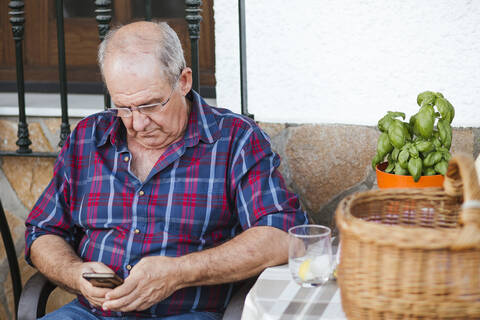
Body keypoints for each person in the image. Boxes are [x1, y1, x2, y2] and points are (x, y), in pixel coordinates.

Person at [25, 21, 308, 319]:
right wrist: (74, 273)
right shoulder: (87, 138)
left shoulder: (236, 140)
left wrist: (178, 272)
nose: (137, 124)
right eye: (123, 107)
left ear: (183, 81)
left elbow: (284, 235)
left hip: (188, 313)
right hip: (91, 313)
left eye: (150, 106)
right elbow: (43, 230)